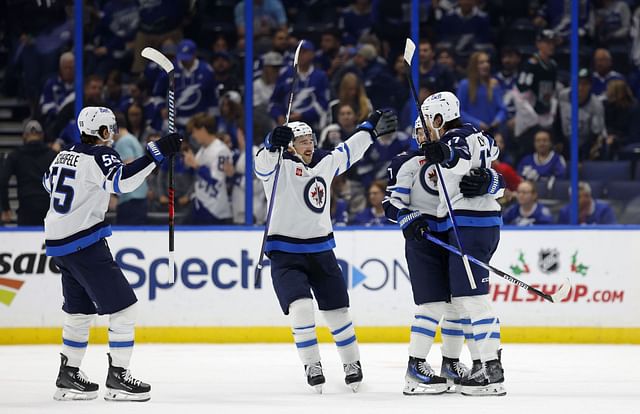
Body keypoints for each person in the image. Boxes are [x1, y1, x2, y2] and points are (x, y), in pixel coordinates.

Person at [43, 106, 182, 401]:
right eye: (111, 129)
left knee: (79, 312)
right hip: (84, 241)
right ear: (103, 132)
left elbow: (48, 183)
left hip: (60, 243)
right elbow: (122, 182)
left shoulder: (62, 154)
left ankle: (68, 376)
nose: (113, 134)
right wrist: (155, 154)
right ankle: (118, 378)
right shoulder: (100, 155)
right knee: (124, 308)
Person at [254, 110, 397, 392]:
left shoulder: (324, 163)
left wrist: (369, 129)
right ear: (290, 145)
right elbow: (261, 163)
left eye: (310, 139)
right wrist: (273, 141)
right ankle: (312, 364)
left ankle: (352, 363)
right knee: (301, 308)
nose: (308, 145)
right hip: (285, 252)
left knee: (339, 312)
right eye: (301, 140)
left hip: (321, 250)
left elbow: (349, 150)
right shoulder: (277, 165)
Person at [383, 115, 502, 395]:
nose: (425, 136)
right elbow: (390, 202)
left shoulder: (455, 153)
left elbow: (493, 183)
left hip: (452, 233)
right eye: (419, 131)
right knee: (433, 305)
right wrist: (406, 217)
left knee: (457, 306)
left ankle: (450, 364)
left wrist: (492, 182)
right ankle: (416, 367)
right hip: (424, 237)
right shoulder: (407, 162)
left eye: (428, 130)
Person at [420, 91, 506, 396]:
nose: (427, 128)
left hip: (468, 222)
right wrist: (493, 181)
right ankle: (487, 364)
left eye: (429, 121)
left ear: (440, 117)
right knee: (463, 300)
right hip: (481, 222)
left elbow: (457, 156)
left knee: (473, 300)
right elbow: (490, 155)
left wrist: (442, 153)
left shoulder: (454, 138)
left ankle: (490, 369)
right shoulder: (481, 135)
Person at [0, 120, 57, 225]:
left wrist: (6, 208)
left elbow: (3, 181)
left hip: (26, 209)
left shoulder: (15, 155)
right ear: (42, 135)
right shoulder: (53, 155)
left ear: (24, 136)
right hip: (49, 209)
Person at [183, 113, 234, 225]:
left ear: (203, 129)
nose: (193, 136)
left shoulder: (221, 150)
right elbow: (197, 175)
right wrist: (189, 164)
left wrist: (196, 165)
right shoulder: (202, 150)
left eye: (194, 131)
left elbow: (216, 180)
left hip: (214, 209)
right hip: (200, 204)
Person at [112, 112, 149, 225]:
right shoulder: (132, 139)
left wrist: (114, 194)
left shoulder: (123, 142)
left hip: (130, 198)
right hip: (139, 195)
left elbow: (128, 168)